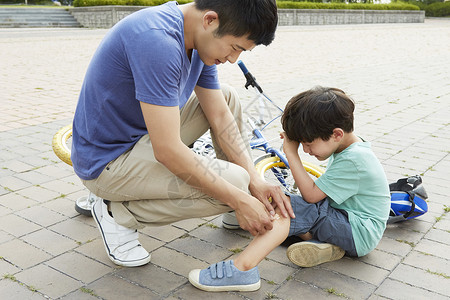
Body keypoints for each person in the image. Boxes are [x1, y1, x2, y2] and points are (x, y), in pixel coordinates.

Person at [71, 0, 293, 268]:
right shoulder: (157, 41)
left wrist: (255, 182)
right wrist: (238, 196)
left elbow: (220, 115)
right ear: (210, 20)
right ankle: (114, 211)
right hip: (107, 163)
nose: (233, 59)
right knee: (234, 182)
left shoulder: (196, 37)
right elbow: (167, 151)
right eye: (235, 48)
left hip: (142, 137)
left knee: (227, 98)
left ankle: (243, 204)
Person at [189, 86, 391, 292]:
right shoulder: (350, 148)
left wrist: (290, 153)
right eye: (301, 144)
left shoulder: (354, 160)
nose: (306, 150)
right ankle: (324, 244)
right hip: (352, 224)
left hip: (359, 232)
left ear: (337, 134)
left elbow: (311, 196)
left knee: (290, 207)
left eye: (308, 143)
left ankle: (243, 269)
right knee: (287, 206)